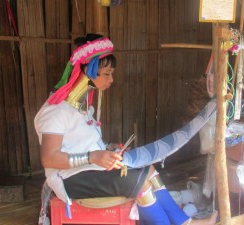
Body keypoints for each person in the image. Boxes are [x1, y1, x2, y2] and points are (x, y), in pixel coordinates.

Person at [34, 33, 218, 225]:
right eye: (107, 74)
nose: (111, 79)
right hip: (70, 179)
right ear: (88, 71)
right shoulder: (56, 111)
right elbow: (49, 158)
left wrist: (108, 148)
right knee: (137, 181)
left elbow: (78, 142)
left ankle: (185, 223)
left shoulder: (82, 109)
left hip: (89, 169)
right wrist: (94, 157)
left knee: (148, 169)